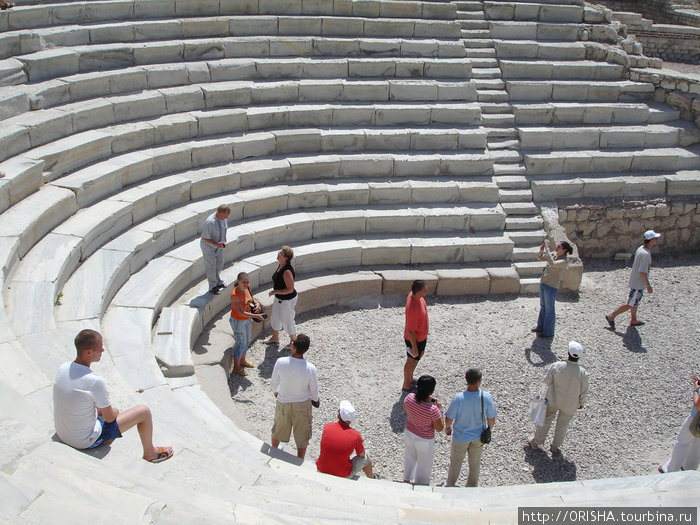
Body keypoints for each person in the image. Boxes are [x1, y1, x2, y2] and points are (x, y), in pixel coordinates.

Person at [53, 329, 173, 463]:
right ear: (88, 352)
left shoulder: (63, 368)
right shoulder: (95, 381)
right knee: (142, 411)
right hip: (84, 441)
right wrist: (114, 412)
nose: (103, 351)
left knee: (101, 410)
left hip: (62, 433)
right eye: (100, 348)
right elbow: (110, 418)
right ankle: (151, 453)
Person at [529, 341, 589, 455]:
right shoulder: (582, 373)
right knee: (563, 424)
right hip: (570, 404)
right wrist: (582, 402)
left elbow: (547, 381)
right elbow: (584, 390)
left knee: (546, 420)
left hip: (553, 399)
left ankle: (536, 441)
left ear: (568, 353)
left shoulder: (557, 366)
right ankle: (555, 446)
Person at [445, 368, 496, 487]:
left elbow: (449, 417)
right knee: (475, 464)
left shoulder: (458, 398)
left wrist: (448, 427)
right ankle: (471, 487)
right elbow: (491, 418)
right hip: (478, 436)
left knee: (455, 463)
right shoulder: (486, 397)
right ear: (479, 381)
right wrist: (489, 429)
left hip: (460, 437)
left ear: (466, 379)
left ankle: (450, 485)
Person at [270, 333, 319, 458]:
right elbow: (313, 390)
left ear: (293, 347)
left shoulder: (281, 362)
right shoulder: (311, 368)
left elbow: (274, 383)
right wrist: (315, 400)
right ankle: (299, 458)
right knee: (302, 434)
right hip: (302, 405)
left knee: (278, 429)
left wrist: (276, 392)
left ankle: (273, 452)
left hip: (283, 401)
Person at [605, 230, 660, 330]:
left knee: (635, 301)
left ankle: (633, 320)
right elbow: (643, 271)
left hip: (636, 282)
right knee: (631, 303)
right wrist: (648, 285)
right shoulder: (646, 254)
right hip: (638, 283)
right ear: (650, 240)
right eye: (655, 239)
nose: (656, 240)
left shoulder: (641, 249)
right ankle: (611, 316)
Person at [316, 400, 375, 479]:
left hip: (321, 468)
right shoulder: (356, 435)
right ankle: (372, 479)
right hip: (342, 474)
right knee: (366, 456)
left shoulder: (327, 427)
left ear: (339, 416)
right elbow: (362, 455)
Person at [403, 375, 444, 485]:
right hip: (424, 439)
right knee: (424, 464)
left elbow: (405, 409)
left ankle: (407, 479)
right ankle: (420, 485)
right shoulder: (433, 410)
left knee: (409, 457)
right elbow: (440, 428)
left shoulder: (409, 397)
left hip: (409, 433)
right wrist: (440, 411)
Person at [531, 239, 573, 339]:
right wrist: (542, 250)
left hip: (551, 286)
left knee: (550, 309)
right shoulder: (554, 254)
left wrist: (547, 249)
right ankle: (540, 327)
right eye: (557, 246)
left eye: (559, 247)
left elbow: (553, 264)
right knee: (543, 306)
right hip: (544, 282)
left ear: (565, 250)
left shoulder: (564, 261)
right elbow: (540, 257)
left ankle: (548, 332)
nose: (557, 247)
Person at [658, 375, 700, 473]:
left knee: (682, 443)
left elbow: (698, 405)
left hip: (696, 419)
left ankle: (670, 470)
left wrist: (696, 390)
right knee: (697, 446)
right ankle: (689, 470)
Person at [229, 272, 265, 377]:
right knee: (241, 343)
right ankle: (236, 367)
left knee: (247, 340)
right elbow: (240, 312)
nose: (246, 283)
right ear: (238, 281)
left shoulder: (247, 288)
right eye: (243, 282)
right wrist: (256, 316)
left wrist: (257, 305)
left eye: (247, 281)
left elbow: (251, 300)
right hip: (238, 321)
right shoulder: (235, 295)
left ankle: (243, 361)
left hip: (247, 320)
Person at [266, 246, 298, 347]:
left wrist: (275, 291)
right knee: (275, 317)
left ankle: (294, 342)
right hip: (279, 298)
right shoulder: (281, 265)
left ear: (286, 258)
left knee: (287, 320)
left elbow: (290, 289)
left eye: (281, 253)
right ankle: (275, 337)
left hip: (287, 300)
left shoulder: (287, 271)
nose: (278, 253)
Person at [402, 280, 429, 392]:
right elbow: (411, 331)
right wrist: (414, 348)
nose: (427, 291)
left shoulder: (414, 295)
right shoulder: (413, 309)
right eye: (424, 290)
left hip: (421, 337)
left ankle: (410, 378)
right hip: (415, 339)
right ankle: (406, 384)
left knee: (417, 358)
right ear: (418, 292)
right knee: (411, 360)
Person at [200, 204, 230, 295]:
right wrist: (216, 244)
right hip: (209, 247)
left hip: (218, 246)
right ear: (219, 213)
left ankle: (218, 280)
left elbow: (224, 229)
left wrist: (224, 239)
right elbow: (204, 238)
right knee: (211, 266)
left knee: (220, 263)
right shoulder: (210, 222)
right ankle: (212, 286)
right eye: (225, 215)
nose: (226, 217)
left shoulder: (223, 219)